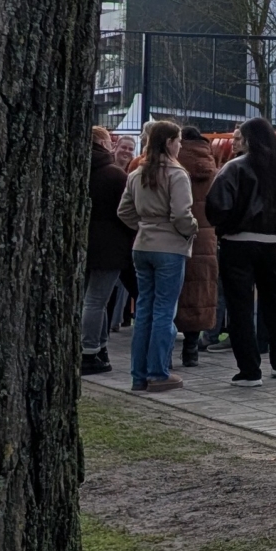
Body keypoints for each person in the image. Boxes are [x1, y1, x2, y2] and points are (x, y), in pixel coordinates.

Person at [208, 115, 276, 385]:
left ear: (249, 140)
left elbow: (216, 206)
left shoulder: (234, 168)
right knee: (274, 301)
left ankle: (250, 370)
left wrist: (228, 227)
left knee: (239, 307)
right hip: (273, 244)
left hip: (238, 242)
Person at [116, 120, 195, 392]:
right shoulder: (176, 174)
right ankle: (158, 372)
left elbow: (124, 211)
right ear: (169, 142)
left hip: (143, 244)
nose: (180, 145)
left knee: (144, 310)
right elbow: (182, 214)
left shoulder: (136, 173)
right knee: (164, 311)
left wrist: (144, 226)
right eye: (179, 141)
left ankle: (139, 375)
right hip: (169, 246)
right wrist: (189, 231)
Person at [79, 127, 134, 375]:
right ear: (102, 142)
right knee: (96, 300)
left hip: (84, 242)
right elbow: (127, 211)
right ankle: (89, 351)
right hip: (110, 245)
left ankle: (99, 349)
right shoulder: (115, 175)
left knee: (92, 299)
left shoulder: (79, 170)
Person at [173, 126, 223, 367]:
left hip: (174, 233)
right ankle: (191, 348)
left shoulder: (172, 164)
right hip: (206, 237)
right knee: (200, 291)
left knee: (170, 292)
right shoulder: (212, 167)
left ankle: (164, 352)